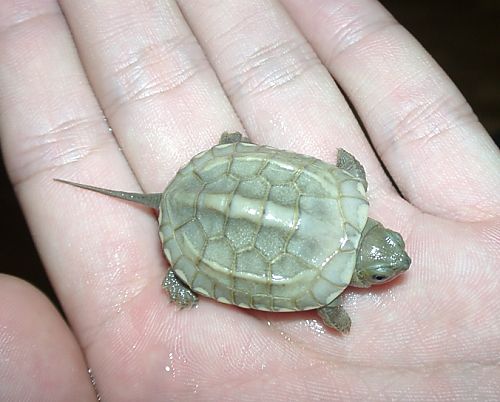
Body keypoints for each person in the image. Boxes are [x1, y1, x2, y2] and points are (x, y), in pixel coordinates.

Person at [0, 1, 498, 400]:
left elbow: (346, 169)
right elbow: (328, 301)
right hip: (212, 209)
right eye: (387, 261)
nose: (400, 262)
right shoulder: (325, 287)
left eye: (385, 266)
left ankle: (217, 183)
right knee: (226, 238)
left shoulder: (348, 192)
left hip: (225, 176)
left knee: (251, 205)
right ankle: (182, 274)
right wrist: (334, 313)